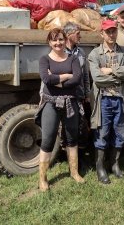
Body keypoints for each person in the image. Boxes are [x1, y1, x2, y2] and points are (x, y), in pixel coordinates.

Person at [36, 28, 84, 191]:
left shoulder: (73, 59)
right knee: (47, 140)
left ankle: (74, 172)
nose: (58, 43)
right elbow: (46, 79)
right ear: (49, 42)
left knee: (72, 138)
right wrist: (66, 76)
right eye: (54, 40)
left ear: (65, 41)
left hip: (70, 102)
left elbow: (77, 79)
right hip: (51, 103)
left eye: (61, 40)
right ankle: (42, 179)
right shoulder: (45, 59)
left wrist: (57, 80)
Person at [88, 19, 124, 184]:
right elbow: (97, 78)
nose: (111, 34)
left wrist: (111, 70)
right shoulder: (95, 54)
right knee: (102, 133)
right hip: (103, 100)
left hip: (121, 99)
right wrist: (119, 78)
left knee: (120, 132)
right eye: (108, 31)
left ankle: (115, 164)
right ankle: (100, 166)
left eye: (113, 31)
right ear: (102, 34)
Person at [63, 23, 91, 150]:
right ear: (69, 35)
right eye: (78, 33)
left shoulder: (81, 52)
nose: (80, 36)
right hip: (63, 96)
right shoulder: (60, 51)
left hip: (78, 96)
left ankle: (81, 158)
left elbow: (85, 75)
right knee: (65, 127)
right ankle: (66, 154)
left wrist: (87, 93)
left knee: (80, 127)